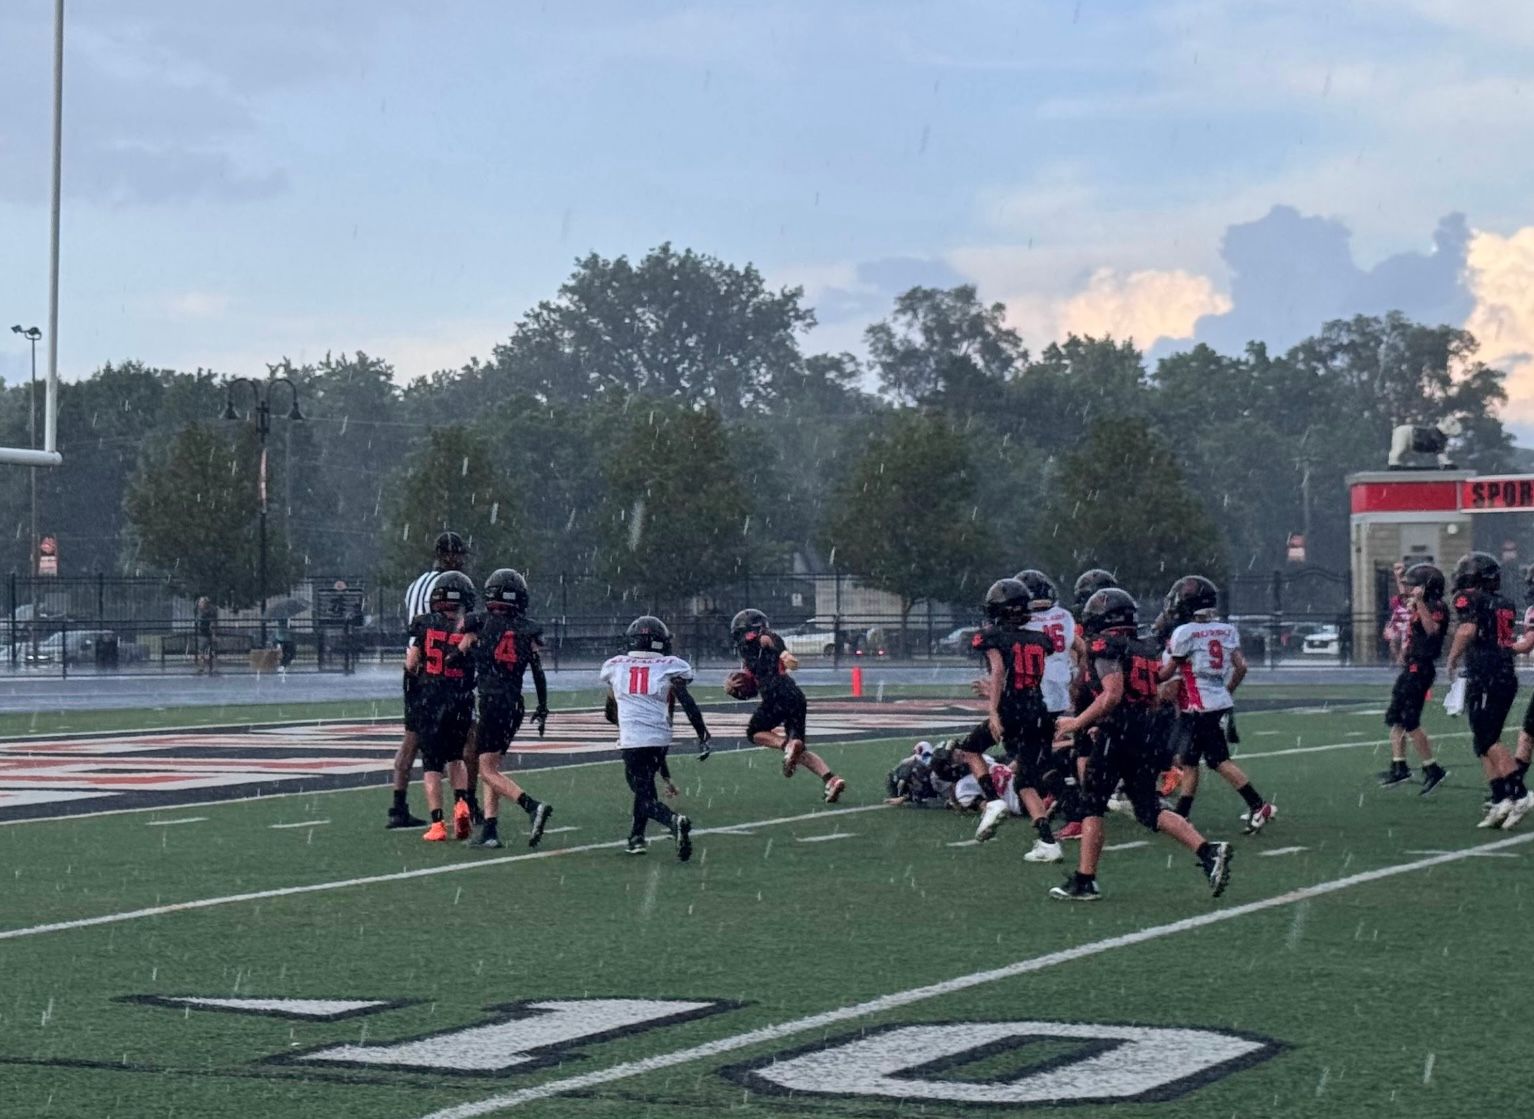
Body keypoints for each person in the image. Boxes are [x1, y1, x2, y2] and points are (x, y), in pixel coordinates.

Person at [1049, 587, 1234, 902]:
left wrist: (1078, 723)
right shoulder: (1144, 648)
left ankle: (1085, 880)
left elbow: (1112, 693)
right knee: (1148, 808)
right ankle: (1208, 851)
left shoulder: (1105, 646)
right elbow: (1147, 695)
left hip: (1119, 735)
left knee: (1092, 804)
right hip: (1145, 732)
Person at [1158, 575, 1275, 831]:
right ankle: (1182, 814)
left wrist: (1145, 676)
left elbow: (1168, 673)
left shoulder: (1184, 632)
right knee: (1189, 760)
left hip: (1199, 706)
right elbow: (1241, 666)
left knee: (1217, 761)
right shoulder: (1226, 629)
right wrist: (1226, 690)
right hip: (1214, 702)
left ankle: (1258, 804)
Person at [963, 579, 1060, 862]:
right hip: (1039, 711)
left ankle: (993, 801)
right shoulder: (1040, 639)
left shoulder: (994, 637)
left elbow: (999, 671)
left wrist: (993, 710)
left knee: (970, 749)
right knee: (1025, 781)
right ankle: (1048, 842)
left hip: (1012, 711)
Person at [599, 616, 711, 859]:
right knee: (645, 787)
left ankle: (673, 821)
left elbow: (609, 712)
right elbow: (687, 701)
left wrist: (622, 719)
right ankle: (636, 838)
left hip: (634, 739)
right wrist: (702, 734)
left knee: (642, 792)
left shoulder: (616, 665)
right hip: (660, 737)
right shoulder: (671, 665)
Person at [458, 568, 553, 849]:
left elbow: (459, 650)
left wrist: (457, 655)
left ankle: (531, 806)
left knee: (485, 770)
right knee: (493, 767)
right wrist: (544, 706)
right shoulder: (527, 628)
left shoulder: (479, 622)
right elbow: (538, 672)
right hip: (515, 703)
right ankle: (490, 829)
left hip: (492, 702)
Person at [1444, 552, 1533, 829]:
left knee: (1486, 738)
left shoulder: (1470, 598)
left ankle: (1517, 793)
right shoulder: (1503, 602)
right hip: (1504, 673)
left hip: (1487, 674)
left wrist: (1452, 658)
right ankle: (1499, 799)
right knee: (1482, 740)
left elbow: (1467, 630)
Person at [388, 531, 470, 830]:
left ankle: (398, 804)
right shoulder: (448, 585)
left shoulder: (416, 584)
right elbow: (458, 625)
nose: (461, 561)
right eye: (459, 555)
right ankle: (465, 802)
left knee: (413, 737)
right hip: (439, 670)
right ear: (450, 555)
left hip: (414, 668)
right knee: (460, 742)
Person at [730, 608, 846, 803]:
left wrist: (784, 653)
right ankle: (831, 779)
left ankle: (787, 745)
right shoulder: (752, 648)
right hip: (795, 694)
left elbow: (768, 639)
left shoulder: (755, 641)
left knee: (754, 732)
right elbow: (751, 681)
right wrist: (733, 688)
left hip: (777, 694)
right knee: (799, 749)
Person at [403, 571, 478, 842]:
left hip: (431, 698)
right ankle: (462, 804)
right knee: (456, 758)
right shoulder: (470, 626)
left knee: (432, 765)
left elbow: (411, 664)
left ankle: (437, 824)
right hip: (460, 698)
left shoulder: (423, 624)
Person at [1378, 563, 1450, 793]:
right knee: (1396, 717)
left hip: (1422, 666)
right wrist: (1399, 578)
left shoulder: (1436, 606)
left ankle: (1432, 768)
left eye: (1415, 585)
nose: (1411, 590)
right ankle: (1399, 766)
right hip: (1411, 666)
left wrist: (1419, 601)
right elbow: (1404, 598)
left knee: (1410, 720)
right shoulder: (1417, 602)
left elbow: (1431, 629)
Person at [194, 596, 217, 675]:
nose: (200, 604)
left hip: (206, 634)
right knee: (202, 652)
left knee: (209, 652)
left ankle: (209, 667)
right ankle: (203, 667)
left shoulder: (207, 613)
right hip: (202, 634)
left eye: (201, 602)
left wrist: (213, 634)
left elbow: (211, 624)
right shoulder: (200, 612)